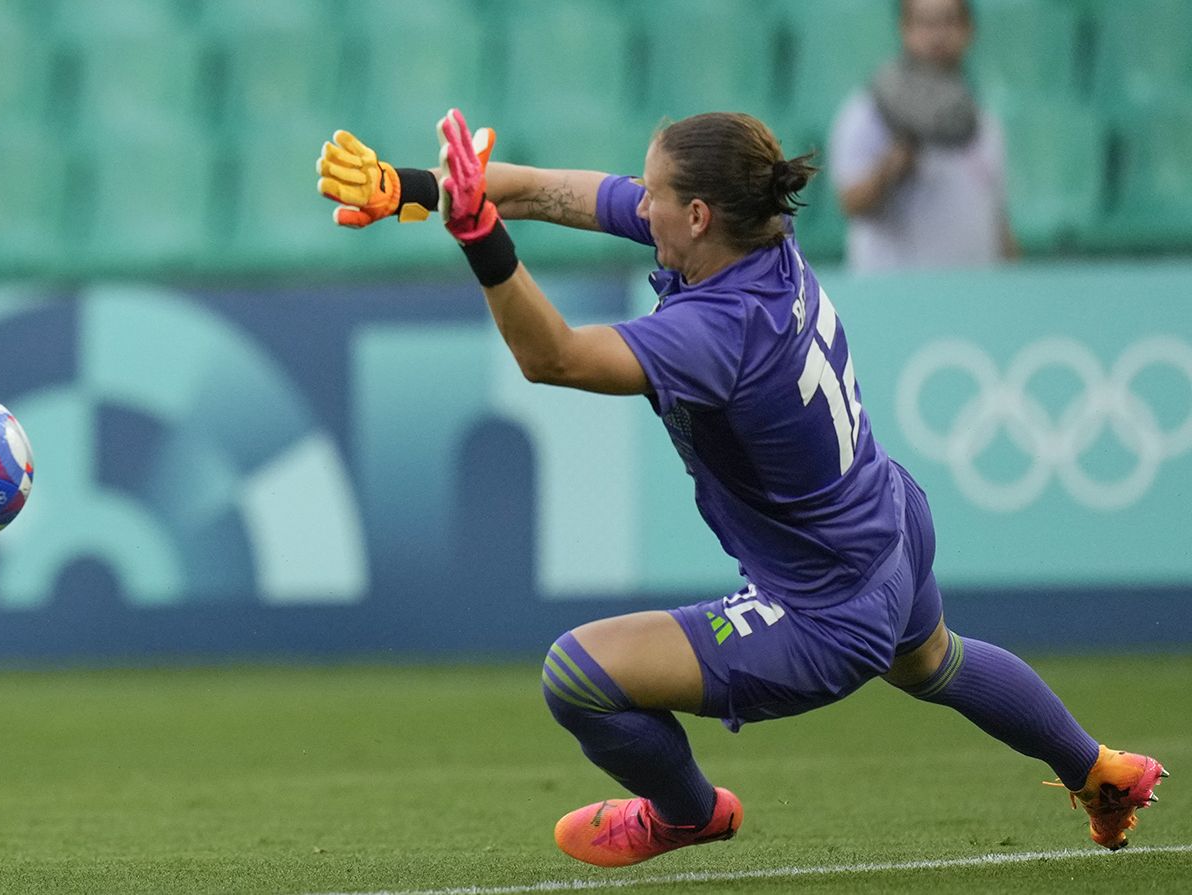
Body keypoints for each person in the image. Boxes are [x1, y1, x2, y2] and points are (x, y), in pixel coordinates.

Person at [317, 109, 1163, 867]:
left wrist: (479, 237)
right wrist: (415, 187)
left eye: (652, 196)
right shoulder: (750, 234)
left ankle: (687, 814)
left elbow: (555, 358)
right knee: (937, 662)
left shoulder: (721, 331)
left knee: (576, 674)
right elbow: (556, 191)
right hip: (891, 520)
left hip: (825, 607)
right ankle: (1098, 769)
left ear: (697, 215)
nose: (636, 206)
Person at [829, 0, 1019, 272]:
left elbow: (997, 220)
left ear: (969, 30)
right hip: (897, 298)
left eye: (949, 21)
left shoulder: (985, 122)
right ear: (904, 29)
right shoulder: (869, 113)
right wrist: (890, 170)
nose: (937, 35)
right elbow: (850, 204)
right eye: (925, 23)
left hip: (975, 298)